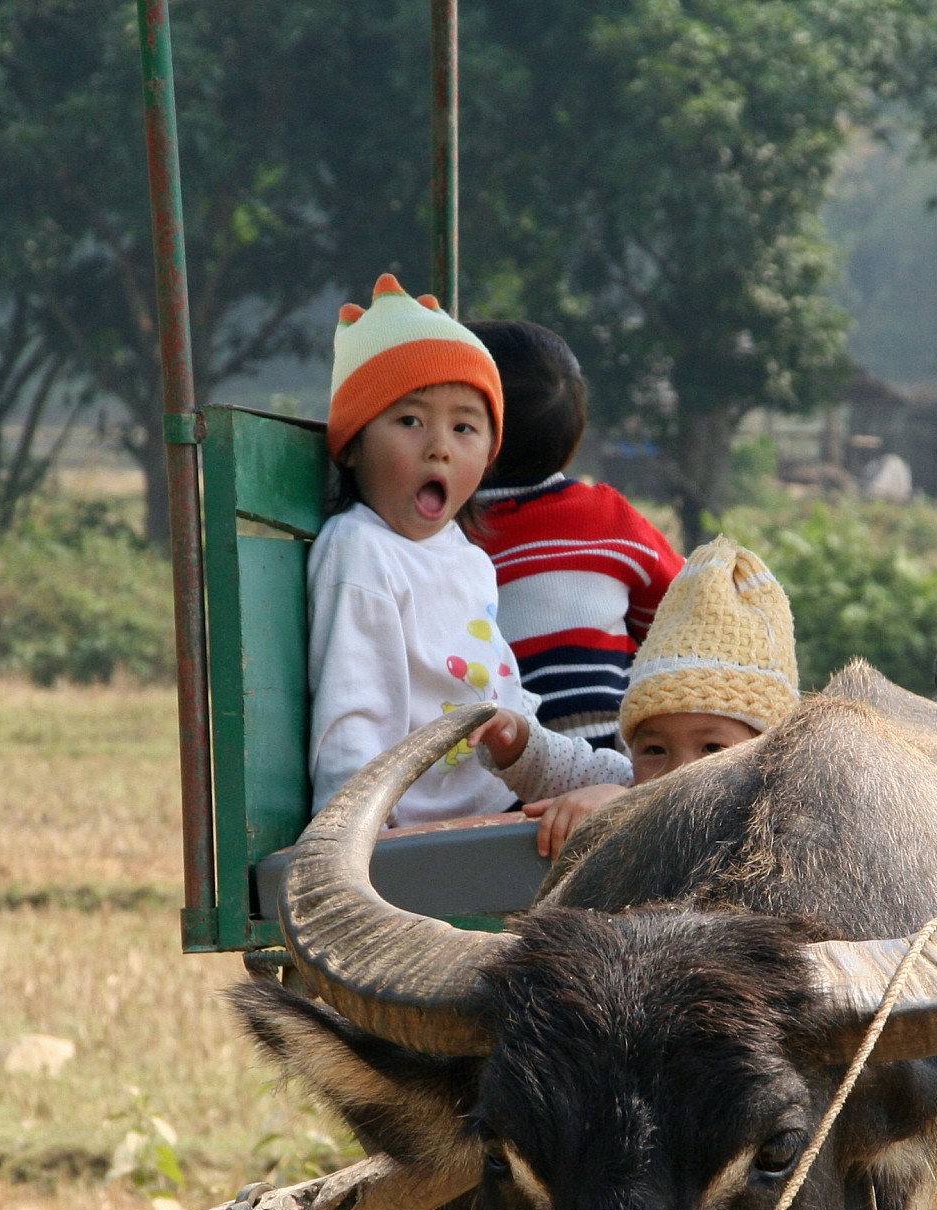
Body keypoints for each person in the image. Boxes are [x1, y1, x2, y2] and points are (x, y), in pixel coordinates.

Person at [306, 275, 627, 825]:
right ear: (354, 444)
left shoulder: (469, 557)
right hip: (415, 828)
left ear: (489, 455)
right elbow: (351, 711)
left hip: (495, 805)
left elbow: (500, 693)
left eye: (464, 428)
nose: (439, 448)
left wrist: (518, 735)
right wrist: (352, 834)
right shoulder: (361, 551)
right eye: (409, 421)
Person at [474, 537, 800, 857]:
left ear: (770, 758)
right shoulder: (632, 787)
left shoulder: (789, 827)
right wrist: (515, 740)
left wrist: (621, 810)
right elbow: (560, 767)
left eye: (712, 748)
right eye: (654, 750)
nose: (678, 773)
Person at [466, 320, 686, 750]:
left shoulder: (451, 535)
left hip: (505, 767)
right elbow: (683, 615)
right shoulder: (606, 518)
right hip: (625, 759)